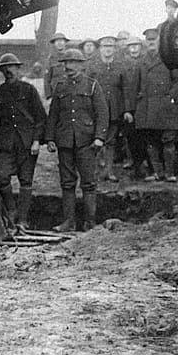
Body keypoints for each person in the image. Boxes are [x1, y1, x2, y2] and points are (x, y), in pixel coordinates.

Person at [0, 53, 46, 230]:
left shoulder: (29, 90)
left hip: (27, 144)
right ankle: (12, 211)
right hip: (7, 144)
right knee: (2, 177)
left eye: (12, 67)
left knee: (26, 180)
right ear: (1, 71)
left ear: (18, 68)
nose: (8, 71)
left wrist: (37, 140)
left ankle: (23, 219)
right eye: (4, 69)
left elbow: (40, 118)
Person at [45, 48, 108, 231]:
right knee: (67, 183)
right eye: (66, 63)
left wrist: (99, 138)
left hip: (86, 142)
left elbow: (102, 113)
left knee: (88, 183)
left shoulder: (92, 86)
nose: (68, 66)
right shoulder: (60, 86)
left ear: (81, 65)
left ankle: (90, 222)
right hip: (65, 141)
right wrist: (49, 138)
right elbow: (53, 114)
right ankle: (69, 222)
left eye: (73, 62)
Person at [127, 27, 178, 182]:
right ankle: (158, 172)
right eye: (148, 39)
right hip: (147, 107)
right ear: (145, 42)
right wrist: (131, 109)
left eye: (154, 39)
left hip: (165, 106)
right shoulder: (141, 61)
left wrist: (171, 97)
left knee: (168, 140)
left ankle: (170, 173)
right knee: (150, 141)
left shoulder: (169, 58)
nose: (151, 42)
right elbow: (134, 86)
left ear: (159, 40)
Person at [87, 35, 124, 183]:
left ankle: (108, 171)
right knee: (96, 140)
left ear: (114, 49)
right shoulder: (93, 66)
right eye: (104, 46)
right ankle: (94, 171)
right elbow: (87, 87)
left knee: (111, 141)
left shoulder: (119, 66)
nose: (108, 49)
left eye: (111, 47)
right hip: (96, 110)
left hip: (114, 109)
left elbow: (124, 88)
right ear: (100, 49)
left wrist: (124, 109)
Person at [119, 36, 149, 179]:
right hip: (130, 107)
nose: (134, 49)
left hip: (146, 106)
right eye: (131, 46)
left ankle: (146, 165)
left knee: (146, 137)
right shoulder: (124, 64)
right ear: (128, 48)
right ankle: (136, 166)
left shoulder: (145, 61)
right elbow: (123, 89)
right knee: (132, 138)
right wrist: (126, 109)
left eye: (136, 46)